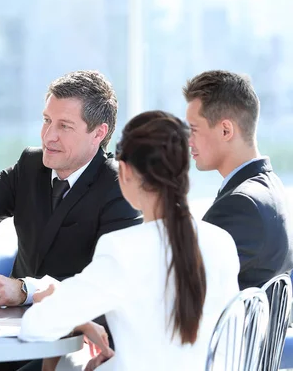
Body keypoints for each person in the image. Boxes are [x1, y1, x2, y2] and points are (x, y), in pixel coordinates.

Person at [0, 70, 141, 370]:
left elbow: (107, 281)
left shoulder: (120, 185)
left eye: (64, 126)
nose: (49, 135)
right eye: (47, 120)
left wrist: (24, 289)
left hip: (78, 337)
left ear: (98, 133)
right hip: (15, 331)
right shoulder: (31, 165)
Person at [19, 111, 240, 371]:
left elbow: (34, 327)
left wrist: (64, 309)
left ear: (123, 171)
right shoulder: (221, 241)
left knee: (63, 363)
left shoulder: (122, 249)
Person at [184, 70, 293, 289]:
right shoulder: (271, 188)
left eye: (194, 130)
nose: (189, 141)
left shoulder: (242, 204)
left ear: (226, 130)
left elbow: (184, 287)